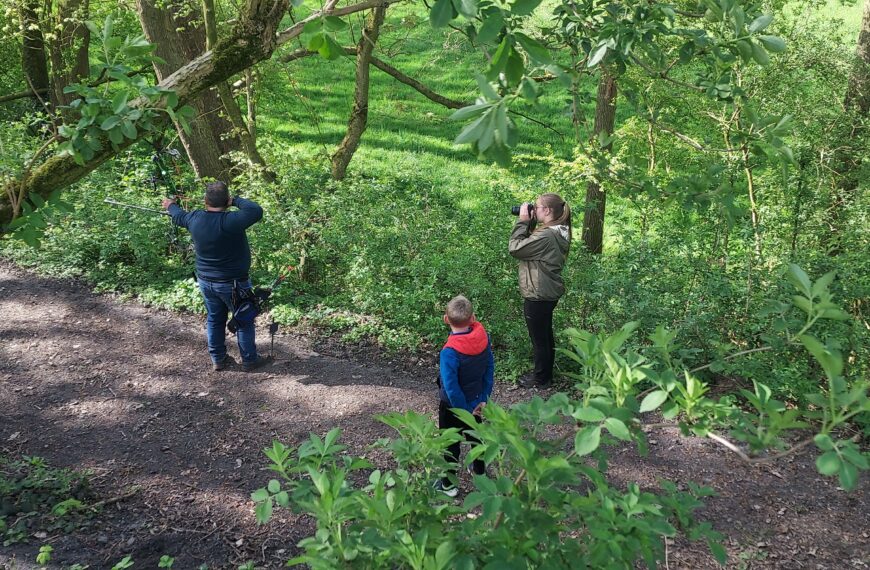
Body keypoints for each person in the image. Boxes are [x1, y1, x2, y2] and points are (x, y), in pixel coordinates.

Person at [162, 181, 270, 372]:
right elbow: (255, 210)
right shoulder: (231, 221)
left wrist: (170, 204)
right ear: (227, 201)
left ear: (205, 200)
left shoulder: (194, 218)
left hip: (206, 281)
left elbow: (177, 216)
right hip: (233, 284)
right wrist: (235, 200)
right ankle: (249, 360)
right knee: (243, 320)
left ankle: (218, 359)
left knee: (215, 318)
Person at [508, 193, 571, 389]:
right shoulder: (557, 231)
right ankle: (544, 375)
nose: (534, 210)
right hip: (546, 291)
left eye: (537, 207)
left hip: (539, 292)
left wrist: (522, 222)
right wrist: (531, 223)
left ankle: (541, 379)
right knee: (544, 335)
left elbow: (516, 248)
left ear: (548, 210)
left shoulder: (546, 235)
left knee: (539, 339)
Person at [434, 295, 495, 497]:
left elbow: (451, 388)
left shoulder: (449, 352)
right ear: (473, 317)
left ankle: (448, 485)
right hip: (476, 401)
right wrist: (484, 396)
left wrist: (463, 410)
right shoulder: (483, 339)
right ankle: (480, 473)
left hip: (452, 407)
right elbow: (489, 369)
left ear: (446, 319)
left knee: (450, 444)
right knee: (476, 438)